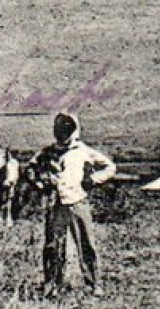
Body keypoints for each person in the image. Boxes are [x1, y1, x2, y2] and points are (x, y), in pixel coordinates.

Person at [29, 112, 116, 296]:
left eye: (66, 129)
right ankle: (52, 284)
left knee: (86, 244)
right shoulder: (48, 152)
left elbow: (110, 167)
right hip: (56, 203)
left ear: (74, 130)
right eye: (60, 129)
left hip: (77, 201)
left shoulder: (83, 151)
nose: (62, 133)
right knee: (53, 245)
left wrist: (92, 179)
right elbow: (30, 168)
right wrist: (39, 184)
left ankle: (94, 284)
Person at [0, 148, 21, 225]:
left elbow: (15, 174)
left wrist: (12, 181)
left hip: (10, 183)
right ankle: (0, 219)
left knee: (8, 201)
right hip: (3, 183)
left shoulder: (13, 163)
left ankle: (7, 218)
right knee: (1, 200)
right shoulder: (0, 164)